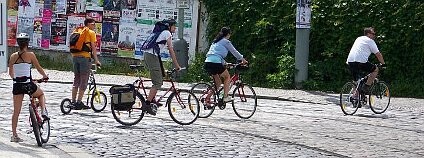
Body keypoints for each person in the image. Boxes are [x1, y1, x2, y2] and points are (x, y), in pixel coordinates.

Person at [8, 33, 49, 142]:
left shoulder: (12, 56)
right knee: (41, 94)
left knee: (16, 111)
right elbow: (39, 68)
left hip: (17, 85)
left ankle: (14, 135)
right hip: (28, 84)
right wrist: (44, 76)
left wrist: (16, 79)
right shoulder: (30, 55)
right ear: (27, 43)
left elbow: (11, 73)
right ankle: (43, 111)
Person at [143, 19, 181, 115]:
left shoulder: (160, 32)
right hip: (152, 56)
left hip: (150, 55)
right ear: (169, 27)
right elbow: (171, 50)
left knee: (159, 76)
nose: (175, 28)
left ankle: (153, 100)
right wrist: (176, 65)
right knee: (157, 83)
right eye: (174, 26)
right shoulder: (167, 33)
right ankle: (147, 104)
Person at [204, 27, 248, 104]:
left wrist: (225, 63)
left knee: (218, 82)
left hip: (208, 62)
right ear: (228, 34)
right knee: (227, 77)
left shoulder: (215, 42)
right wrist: (243, 60)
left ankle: (207, 98)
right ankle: (225, 97)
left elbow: (216, 55)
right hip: (216, 63)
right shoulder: (226, 42)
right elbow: (234, 52)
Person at [71, 18, 102, 109]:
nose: (94, 26)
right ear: (88, 24)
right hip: (85, 58)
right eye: (93, 24)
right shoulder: (91, 33)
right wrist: (96, 60)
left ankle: (73, 101)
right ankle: (79, 102)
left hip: (74, 57)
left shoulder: (77, 31)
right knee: (84, 80)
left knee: (76, 78)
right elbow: (93, 48)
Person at [346, 27, 385, 94]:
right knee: (376, 70)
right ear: (368, 34)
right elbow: (378, 54)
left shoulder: (358, 38)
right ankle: (366, 87)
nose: (374, 35)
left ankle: (353, 97)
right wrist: (383, 64)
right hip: (360, 62)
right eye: (373, 34)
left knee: (357, 82)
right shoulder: (370, 41)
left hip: (350, 61)